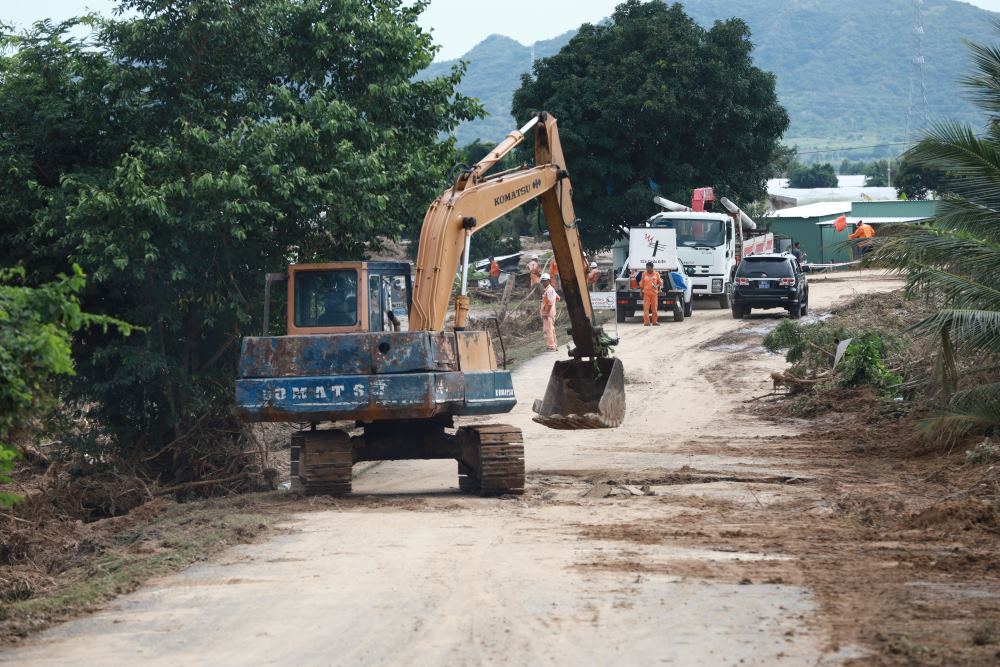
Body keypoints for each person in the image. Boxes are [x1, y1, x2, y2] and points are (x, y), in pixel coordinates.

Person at [539, 273, 561, 350]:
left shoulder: (550, 290)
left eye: (544, 281)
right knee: (551, 329)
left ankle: (551, 346)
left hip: (548, 313)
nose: (543, 283)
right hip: (549, 313)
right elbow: (558, 298)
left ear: (548, 281)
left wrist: (546, 312)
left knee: (548, 330)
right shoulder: (550, 290)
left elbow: (550, 303)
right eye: (542, 281)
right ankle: (554, 345)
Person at [639, 261, 663, 326]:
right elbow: (641, 284)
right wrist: (641, 292)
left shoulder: (656, 274)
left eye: (648, 268)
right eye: (646, 268)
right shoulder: (644, 274)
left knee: (654, 308)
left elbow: (660, 282)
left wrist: (657, 286)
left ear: (652, 268)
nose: (647, 269)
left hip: (654, 294)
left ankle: (655, 322)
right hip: (646, 294)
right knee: (646, 308)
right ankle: (646, 322)